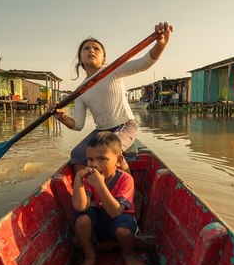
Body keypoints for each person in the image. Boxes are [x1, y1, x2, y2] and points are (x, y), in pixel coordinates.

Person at [51, 22, 172, 174]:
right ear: (80, 59)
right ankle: (87, 191)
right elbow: (78, 125)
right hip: (101, 130)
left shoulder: (112, 70)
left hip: (124, 125)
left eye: (96, 48)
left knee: (107, 149)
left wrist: (161, 43)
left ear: (104, 59)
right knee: (77, 154)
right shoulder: (79, 91)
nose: (91, 50)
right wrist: (61, 117)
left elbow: (144, 63)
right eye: (86, 48)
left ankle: (130, 191)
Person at [72, 131, 139, 265]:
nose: (94, 164)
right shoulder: (89, 179)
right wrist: (78, 179)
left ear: (118, 160)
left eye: (101, 159)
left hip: (120, 219)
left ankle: (128, 255)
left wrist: (100, 185)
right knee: (81, 220)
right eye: (90, 159)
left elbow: (116, 212)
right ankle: (90, 257)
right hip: (99, 221)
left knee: (123, 231)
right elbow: (80, 206)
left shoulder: (125, 179)